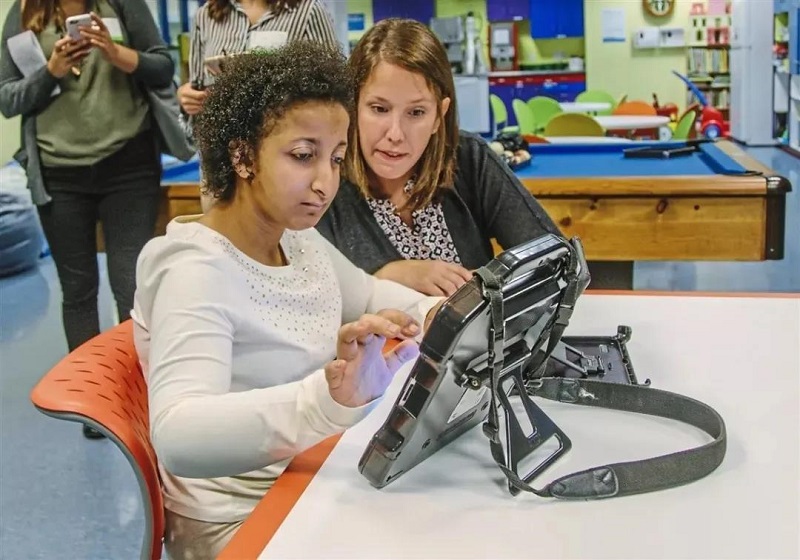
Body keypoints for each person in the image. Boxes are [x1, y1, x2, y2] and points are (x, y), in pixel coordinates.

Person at [131, 43, 441, 559]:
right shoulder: (194, 269)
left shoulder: (295, 238)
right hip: (240, 520)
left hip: (313, 479)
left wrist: (432, 313)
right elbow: (180, 435)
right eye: (303, 156)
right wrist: (329, 400)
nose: (325, 182)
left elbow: (368, 292)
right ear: (242, 154)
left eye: (337, 159)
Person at [0, 0, 174, 438]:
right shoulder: (23, 15)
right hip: (59, 175)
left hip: (129, 164)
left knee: (129, 282)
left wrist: (118, 54)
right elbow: (7, 98)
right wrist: (52, 71)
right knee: (78, 290)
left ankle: (141, 393)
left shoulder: (123, 5)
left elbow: (162, 67)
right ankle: (93, 406)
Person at [316, 18, 563, 297]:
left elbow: (556, 262)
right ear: (353, 104)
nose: (395, 134)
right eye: (379, 109)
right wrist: (384, 278)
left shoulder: (469, 158)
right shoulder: (324, 177)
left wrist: (491, 295)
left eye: (417, 112)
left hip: (480, 340)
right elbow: (302, 296)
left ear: (439, 115)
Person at [177, 0, 338, 119]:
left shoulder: (308, 11)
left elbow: (334, 88)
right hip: (224, 150)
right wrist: (187, 100)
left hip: (289, 140)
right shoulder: (206, 16)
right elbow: (196, 88)